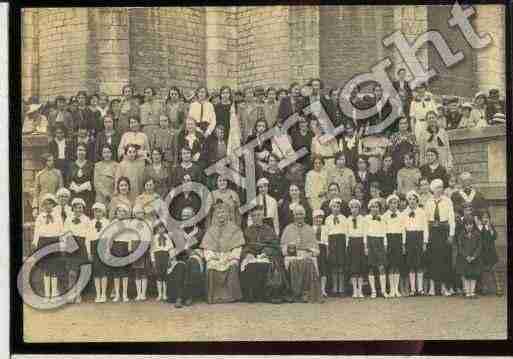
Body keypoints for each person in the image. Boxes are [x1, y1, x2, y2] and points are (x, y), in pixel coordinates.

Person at [240, 205, 288, 303]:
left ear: (262, 216)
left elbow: (275, 246)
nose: (256, 218)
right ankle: (252, 296)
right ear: (251, 218)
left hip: (267, 255)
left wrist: (265, 252)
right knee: (249, 265)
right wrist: (248, 253)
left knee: (271, 264)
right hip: (252, 256)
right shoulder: (247, 230)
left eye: (258, 215)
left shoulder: (269, 229)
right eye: (254, 216)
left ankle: (269, 294)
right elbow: (244, 246)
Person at [201, 202, 244, 304]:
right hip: (215, 257)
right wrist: (211, 257)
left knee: (233, 265)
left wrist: (232, 256)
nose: (221, 215)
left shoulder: (235, 229)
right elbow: (207, 248)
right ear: (215, 215)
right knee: (211, 266)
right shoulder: (211, 230)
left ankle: (231, 296)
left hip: (229, 256)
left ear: (228, 214)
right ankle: (213, 297)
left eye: (223, 212)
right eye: (218, 213)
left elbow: (238, 246)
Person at [280, 205, 321, 303]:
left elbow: (316, 250)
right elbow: (282, 247)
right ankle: (295, 293)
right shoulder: (287, 229)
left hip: (306, 254)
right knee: (294, 263)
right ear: (294, 216)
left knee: (307, 263)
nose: (299, 216)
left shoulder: (310, 229)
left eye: (301, 214)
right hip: (292, 256)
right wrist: (290, 249)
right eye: (297, 214)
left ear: (305, 215)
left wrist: (310, 250)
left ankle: (306, 293)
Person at [167, 206, 206, 307]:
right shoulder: (177, 231)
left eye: (189, 215)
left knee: (192, 263)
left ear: (194, 216)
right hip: (181, 256)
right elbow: (175, 247)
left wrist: (189, 250)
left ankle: (188, 296)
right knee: (180, 267)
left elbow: (200, 246)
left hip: (195, 256)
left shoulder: (200, 232)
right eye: (184, 215)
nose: (186, 217)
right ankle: (181, 297)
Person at [424, 179, 456, 296]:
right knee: (432, 259)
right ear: (433, 189)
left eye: (441, 187)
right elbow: (425, 222)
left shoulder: (447, 201)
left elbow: (451, 219)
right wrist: (426, 238)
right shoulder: (428, 202)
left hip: (443, 232)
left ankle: (444, 287)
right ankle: (432, 288)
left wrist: (451, 235)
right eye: (437, 187)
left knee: (444, 259)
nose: (440, 189)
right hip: (433, 232)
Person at [32, 194, 64, 302]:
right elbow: (37, 231)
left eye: (50, 203)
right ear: (43, 206)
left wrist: (62, 244)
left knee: (54, 269)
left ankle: (54, 293)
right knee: (46, 269)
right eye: (45, 204)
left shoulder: (58, 216)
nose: (47, 206)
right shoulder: (40, 217)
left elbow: (61, 231)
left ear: (53, 205)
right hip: (43, 242)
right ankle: (47, 294)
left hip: (54, 241)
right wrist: (35, 242)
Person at [63, 197, 93, 304]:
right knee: (72, 272)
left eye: (80, 207)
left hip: (82, 245)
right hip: (71, 244)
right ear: (73, 208)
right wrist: (66, 247)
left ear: (83, 209)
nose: (78, 209)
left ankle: (78, 294)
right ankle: (71, 294)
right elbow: (65, 233)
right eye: (76, 207)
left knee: (80, 272)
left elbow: (88, 237)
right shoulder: (68, 219)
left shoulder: (87, 220)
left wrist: (89, 252)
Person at [108, 203, 132, 302]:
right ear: (116, 213)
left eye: (123, 211)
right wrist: (109, 249)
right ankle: (117, 294)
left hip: (125, 247)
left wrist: (130, 248)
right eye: (119, 211)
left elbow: (131, 236)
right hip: (116, 247)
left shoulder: (129, 223)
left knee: (125, 273)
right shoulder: (113, 223)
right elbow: (110, 237)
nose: (121, 213)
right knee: (116, 273)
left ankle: (125, 294)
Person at [365, 198, 388, 298]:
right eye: (373, 207)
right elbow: (365, 233)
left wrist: (385, 245)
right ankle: (373, 291)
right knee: (371, 267)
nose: (375, 209)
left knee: (381, 267)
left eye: (377, 207)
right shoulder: (366, 219)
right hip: (370, 242)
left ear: (379, 208)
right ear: (370, 208)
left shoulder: (383, 219)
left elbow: (384, 232)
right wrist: (366, 246)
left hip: (380, 242)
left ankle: (383, 291)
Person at [383, 194, 405, 298]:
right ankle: (391, 289)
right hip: (389, 240)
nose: (393, 205)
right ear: (388, 204)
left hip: (398, 240)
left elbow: (403, 230)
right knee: (391, 265)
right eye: (391, 203)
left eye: (395, 203)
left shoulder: (401, 215)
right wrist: (386, 244)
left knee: (397, 265)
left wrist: (403, 243)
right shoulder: (385, 216)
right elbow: (383, 231)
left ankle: (396, 289)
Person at [87, 202, 110, 303]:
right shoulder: (91, 223)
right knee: (96, 272)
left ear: (103, 212)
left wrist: (108, 250)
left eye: (99, 211)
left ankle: (104, 294)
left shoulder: (107, 222)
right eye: (95, 211)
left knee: (103, 271)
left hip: (103, 245)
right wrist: (89, 252)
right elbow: (87, 238)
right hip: (93, 246)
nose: (97, 213)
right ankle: (98, 294)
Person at [325, 198, 347, 297]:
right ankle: (335, 288)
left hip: (341, 241)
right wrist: (328, 245)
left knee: (341, 266)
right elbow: (326, 233)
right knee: (334, 266)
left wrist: (346, 245)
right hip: (332, 241)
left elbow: (346, 232)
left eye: (338, 206)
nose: (336, 209)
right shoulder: (328, 219)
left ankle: (341, 288)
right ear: (330, 208)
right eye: (334, 206)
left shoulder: (343, 218)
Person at [455, 218, 482, 299]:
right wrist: (466, 256)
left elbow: (479, 246)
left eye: (471, 224)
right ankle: (467, 292)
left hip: (474, 259)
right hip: (465, 259)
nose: (469, 226)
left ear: (473, 225)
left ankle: (472, 292)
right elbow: (460, 247)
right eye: (467, 225)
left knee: (473, 276)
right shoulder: (462, 234)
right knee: (466, 275)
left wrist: (474, 256)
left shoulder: (477, 234)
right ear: (464, 226)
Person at [32, 153, 64, 218]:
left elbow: (61, 190)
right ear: (45, 162)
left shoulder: (58, 173)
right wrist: (35, 208)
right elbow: (36, 193)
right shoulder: (39, 174)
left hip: (54, 202)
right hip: (43, 203)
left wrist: (61, 205)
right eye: (49, 160)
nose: (52, 162)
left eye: (52, 160)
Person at [346, 199, 366, 298]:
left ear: (359, 209)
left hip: (360, 243)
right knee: (353, 268)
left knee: (361, 267)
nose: (354, 210)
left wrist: (365, 245)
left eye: (356, 207)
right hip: (352, 243)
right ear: (350, 209)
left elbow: (365, 232)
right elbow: (346, 233)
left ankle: (360, 290)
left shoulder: (363, 219)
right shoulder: (347, 219)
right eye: (352, 207)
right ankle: (354, 290)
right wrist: (347, 245)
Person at [477, 210, 500, 295]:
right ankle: (484, 288)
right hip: (482, 253)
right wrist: (479, 226)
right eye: (483, 217)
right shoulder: (479, 227)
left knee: (494, 271)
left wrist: (490, 229)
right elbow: (478, 238)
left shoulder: (490, 227)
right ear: (480, 219)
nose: (485, 219)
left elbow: (495, 236)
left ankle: (498, 288)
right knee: (483, 272)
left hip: (491, 252)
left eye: (487, 217)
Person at [150, 220, 173, 302]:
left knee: (165, 276)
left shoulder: (168, 237)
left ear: (165, 229)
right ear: (157, 229)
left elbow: (170, 249)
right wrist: (153, 261)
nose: (161, 229)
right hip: (157, 257)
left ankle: (164, 294)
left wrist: (170, 259)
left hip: (165, 256)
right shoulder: (154, 238)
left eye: (163, 228)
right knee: (159, 276)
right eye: (159, 228)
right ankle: (159, 294)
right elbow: (152, 250)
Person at [68, 144, 95, 211]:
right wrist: (74, 186)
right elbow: (68, 180)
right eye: (79, 150)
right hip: (74, 194)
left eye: (83, 150)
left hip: (87, 195)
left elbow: (93, 179)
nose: (81, 152)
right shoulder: (71, 165)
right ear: (76, 152)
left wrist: (85, 186)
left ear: (86, 152)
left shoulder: (91, 165)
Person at [312, 209, 329, 298]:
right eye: (317, 218)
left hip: (323, 248)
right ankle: (316, 289)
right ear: (313, 218)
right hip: (314, 248)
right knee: (315, 269)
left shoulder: (325, 228)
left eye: (320, 218)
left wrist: (327, 250)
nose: (319, 220)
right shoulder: (311, 228)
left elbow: (327, 241)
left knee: (323, 269)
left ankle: (323, 290)